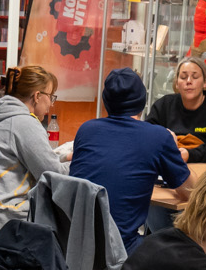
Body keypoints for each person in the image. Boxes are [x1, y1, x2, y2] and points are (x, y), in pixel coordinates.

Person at [69, 68, 194, 249]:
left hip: (76, 248)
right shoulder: (158, 137)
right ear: (143, 101)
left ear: (106, 101)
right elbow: (190, 192)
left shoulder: (86, 130)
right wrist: (174, 150)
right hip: (120, 250)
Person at [0, 64, 64, 230]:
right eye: (50, 96)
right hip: (6, 219)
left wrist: (63, 157)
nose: (51, 104)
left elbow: (33, 158)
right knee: (69, 217)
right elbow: (54, 174)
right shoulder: (24, 123)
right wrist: (81, 161)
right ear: (37, 96)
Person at [147, 57, 206, 161]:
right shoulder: (163, 105)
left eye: (195, 77)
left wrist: (190, 154)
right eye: (183, 77)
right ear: (177, 83)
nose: (189, 81)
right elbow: (147, 137)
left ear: (205, 82)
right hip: (168, 164)